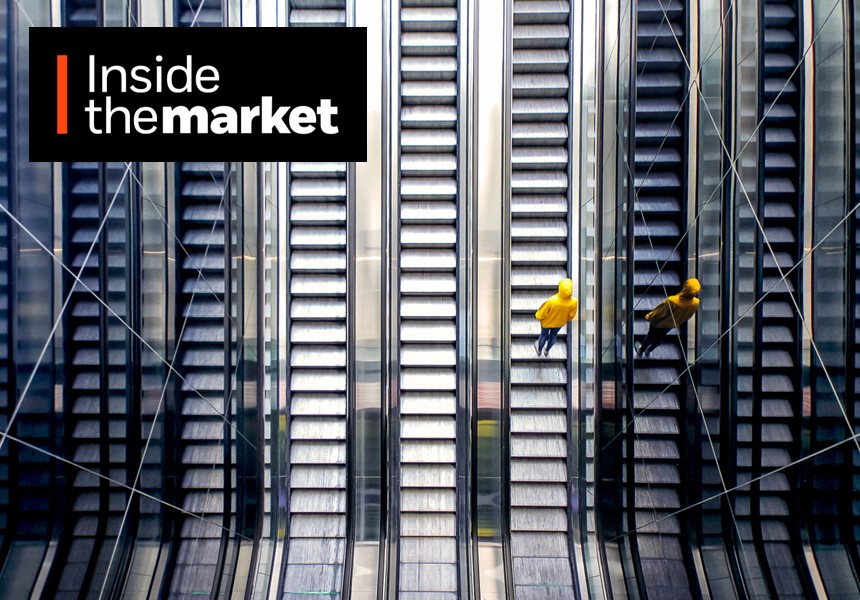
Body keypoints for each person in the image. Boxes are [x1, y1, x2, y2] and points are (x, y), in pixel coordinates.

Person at [636, 277, 701, 358]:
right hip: (671, 325)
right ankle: (649, 351)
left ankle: (641, 350)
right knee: (660, 337)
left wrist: (649, 316)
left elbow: (660, 313)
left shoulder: (673, 301)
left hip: (658, 324)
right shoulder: (696, 302)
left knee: (650, 336)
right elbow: (689, 315)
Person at [534, 278, 578, 357]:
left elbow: (542, 312)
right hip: (559, 323)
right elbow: (571, 315)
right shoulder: (574, 302)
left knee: (544, 335)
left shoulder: (552, 301)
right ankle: (547, 350)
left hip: (547, 323)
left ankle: (539, 350)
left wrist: (538, 317)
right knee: (553, 336)